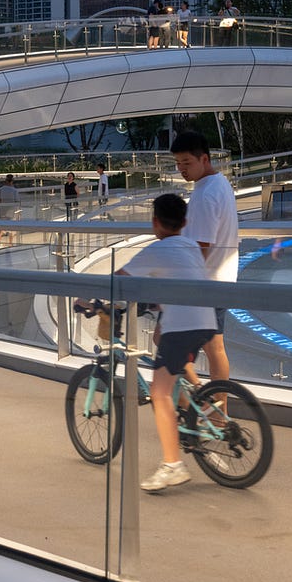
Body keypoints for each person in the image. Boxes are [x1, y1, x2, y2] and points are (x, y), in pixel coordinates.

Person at [115, 193, 217, 492]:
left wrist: (88, 299)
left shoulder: (155, 251)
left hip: (182, 326)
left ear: (154, 222)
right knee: (161, 338)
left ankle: (172, 465)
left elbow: (118, 279)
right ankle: (196, 396)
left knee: (159, 393)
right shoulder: (191, 246)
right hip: (205, 322)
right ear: (185, 223)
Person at [171, 130, 237, 383]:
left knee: (164, 340)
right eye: (178, 164)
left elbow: (200, 248)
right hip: (221, 280)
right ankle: (217, 414)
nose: (181, 169)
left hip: (203, 285)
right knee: (215, 349)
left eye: (187, 163)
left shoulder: (205, 195)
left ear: (204, 159)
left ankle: (201, 400)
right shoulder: (220, 184)